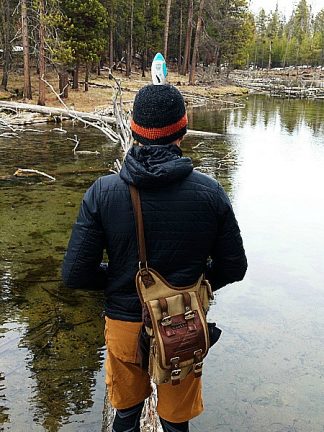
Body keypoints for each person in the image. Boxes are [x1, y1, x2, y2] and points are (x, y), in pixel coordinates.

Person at [62, 84, 247, 432]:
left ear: (134, 129)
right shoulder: (210, 192)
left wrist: (120, 279)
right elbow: (235, 267)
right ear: (184, 127)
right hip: (184, 326)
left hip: (125, 327)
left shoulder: (103, 192)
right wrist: (195, 282)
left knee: (127, 415)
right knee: (176, 423)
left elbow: (74, 274)